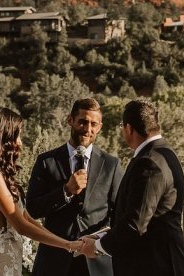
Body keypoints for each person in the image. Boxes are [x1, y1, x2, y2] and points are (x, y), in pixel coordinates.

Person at [75, 100, 184, 276]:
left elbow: (135, 223)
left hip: (155, 264)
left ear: (128, 128)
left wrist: (98, 247)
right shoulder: (165, 153)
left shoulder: (148, 162)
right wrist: (101, 236)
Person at [0, 106, 86, 276]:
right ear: (5, 136)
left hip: (7, 256)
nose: (20, 142)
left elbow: (27, 218)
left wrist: (65, 243)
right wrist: (67, 246)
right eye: (17, 135)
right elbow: (20, 225)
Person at [28, 98, 125, 276]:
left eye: (93, 124)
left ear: (100, 127)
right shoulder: (47, 161)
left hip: (97, 262)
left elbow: (120, 214)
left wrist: (99, 243)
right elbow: (33, 209)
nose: (88, 129)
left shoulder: (111, 165)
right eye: (83, 121)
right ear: (70, 120)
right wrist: (65, 191)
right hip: (55, 261)